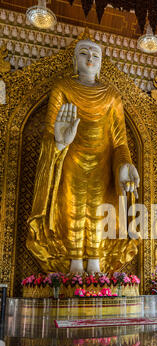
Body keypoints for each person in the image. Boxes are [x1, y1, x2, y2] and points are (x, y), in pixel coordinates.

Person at [27, 37, 140, 274]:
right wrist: (59, 140)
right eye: (84, 54)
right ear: (74, 60)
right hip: (70, 158)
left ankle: (96, 265)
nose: (90, 59)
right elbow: (50, 132)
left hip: (103, 163)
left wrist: (125, 165)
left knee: (100, 210)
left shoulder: (111, 95)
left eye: (95, 56)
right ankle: (74, 265)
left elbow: (120, 141)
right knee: (71, 207)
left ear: (101, 64)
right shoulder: (63, 88)